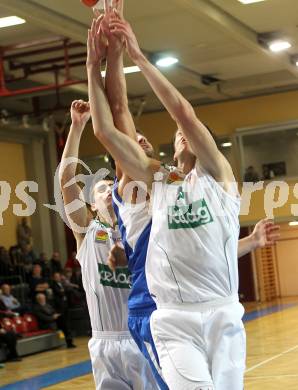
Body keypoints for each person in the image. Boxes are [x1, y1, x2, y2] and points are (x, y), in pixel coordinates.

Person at [88, 13, 281, 389]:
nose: (181, 133)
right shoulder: (158, 181)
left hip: (222, 312)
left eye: (188, 133)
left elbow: (183, 113)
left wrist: (139, 58)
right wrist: (94, 64)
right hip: (171, 316)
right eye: (176, 134)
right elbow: (107, 128)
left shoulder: (218, 175)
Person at [59, 94, 158, 389]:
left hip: (141, 332)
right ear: (90, 204)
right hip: (104, 342)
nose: (107, 191)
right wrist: (77, 127)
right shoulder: (86, 232)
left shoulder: (139, 225)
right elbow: (67, 177)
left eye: (110, 187)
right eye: (100, 189)